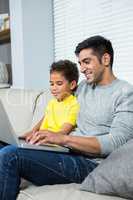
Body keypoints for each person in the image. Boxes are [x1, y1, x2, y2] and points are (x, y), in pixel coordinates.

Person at [0, 35, 133, 200]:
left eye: (86, 61)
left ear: (105, 59)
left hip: (91, 164)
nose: (82, 69)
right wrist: (36, 131)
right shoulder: (83, 86)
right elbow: (57, 107)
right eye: (80, 63)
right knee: (3, 144)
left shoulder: (125, 93)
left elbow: (116, 143)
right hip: (66, 152)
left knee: (10, 155)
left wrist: (62, 138)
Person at [22, 59, 79, 144]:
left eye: (59, 84)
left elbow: (62, 133)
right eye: (52, 84)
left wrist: (45, 138)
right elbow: (46, 117)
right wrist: (32, 131)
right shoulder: (52, 102)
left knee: (9, 152)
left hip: (53, 144)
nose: (53, 88)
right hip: (40, 141)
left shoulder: (74, 104)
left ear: (72, 85)